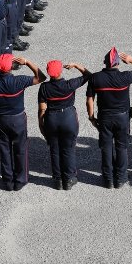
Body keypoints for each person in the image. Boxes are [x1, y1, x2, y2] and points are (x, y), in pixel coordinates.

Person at [87, 47, 132, 188]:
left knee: (106, 147)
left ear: (105, 62)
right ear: (118, 63)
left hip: (104, 118)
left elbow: (89, 100)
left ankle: (108, 179)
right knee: (121, 147)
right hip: (122, 118)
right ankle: (121, 178)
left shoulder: (96, 78)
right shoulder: (126, 77)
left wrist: (92, 117)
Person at [0, 53, 46, 191]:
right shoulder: (19, 81)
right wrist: (27, 62)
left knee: (4, 150)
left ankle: (8, 180)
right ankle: (20, 180)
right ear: (11, 67)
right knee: (21, 149)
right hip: (18, 119)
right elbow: (41, 77)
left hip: (1, 119)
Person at [37, 60, 91, 190]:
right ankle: (69, 178)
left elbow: (42, 109)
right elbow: (88, 76)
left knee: (54, 149)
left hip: (52, 119)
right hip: (68, 118)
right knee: (69, 148)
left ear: (49, 73)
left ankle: (58, 179)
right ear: (60, 71)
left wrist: (41, 124)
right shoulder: (70, 84)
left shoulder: (44, 88)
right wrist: (77, 65)